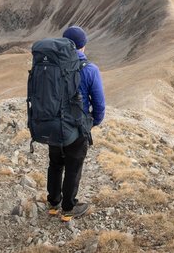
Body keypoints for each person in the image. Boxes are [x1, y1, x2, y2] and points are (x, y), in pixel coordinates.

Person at [47, 25, 106, 222]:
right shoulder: (90, 69)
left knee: (55, 164)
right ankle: (68, 208)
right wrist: (93, 123)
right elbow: (98, 104)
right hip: (77, 127)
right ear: (82, 47)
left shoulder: (51, 66)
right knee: (73, 167)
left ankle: (53, 204)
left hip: (54, 125)